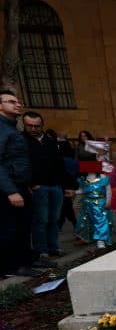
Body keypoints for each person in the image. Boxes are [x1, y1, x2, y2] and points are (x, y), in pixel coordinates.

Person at [23, 111, 76, 262]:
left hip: (56, 186)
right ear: (25, 125)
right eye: (30, 126)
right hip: (38, 187)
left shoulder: (51, 141)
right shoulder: (22, 141)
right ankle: (41, 249)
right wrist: (31, 184)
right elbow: (23, 165)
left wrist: (68, 185)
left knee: (54, 218)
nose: (34, 129)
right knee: (41, 219)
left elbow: (60, 165)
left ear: (42, 125)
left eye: (37, 126)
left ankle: (53, 246)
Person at [0, 90, 43, 278]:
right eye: (11, 101)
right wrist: (10, 191)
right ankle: (14, 265)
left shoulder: (11, 128)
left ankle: (27, 260)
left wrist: (26, 185)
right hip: (9, 189)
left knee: (24, 226)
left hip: (20, 186)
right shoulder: (2, 128)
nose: (17, 104)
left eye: (18, 101)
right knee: (12, 228)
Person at [75, 171, 114, 249]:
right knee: (88, 222)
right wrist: (75, 192)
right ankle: (93, 238)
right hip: (87, 204)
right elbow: (82, 190)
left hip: (100, 204)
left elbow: (108, 190)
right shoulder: (83, 179)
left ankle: (101, 241)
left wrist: (108, 202)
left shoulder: (103, 177)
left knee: (100, 221)